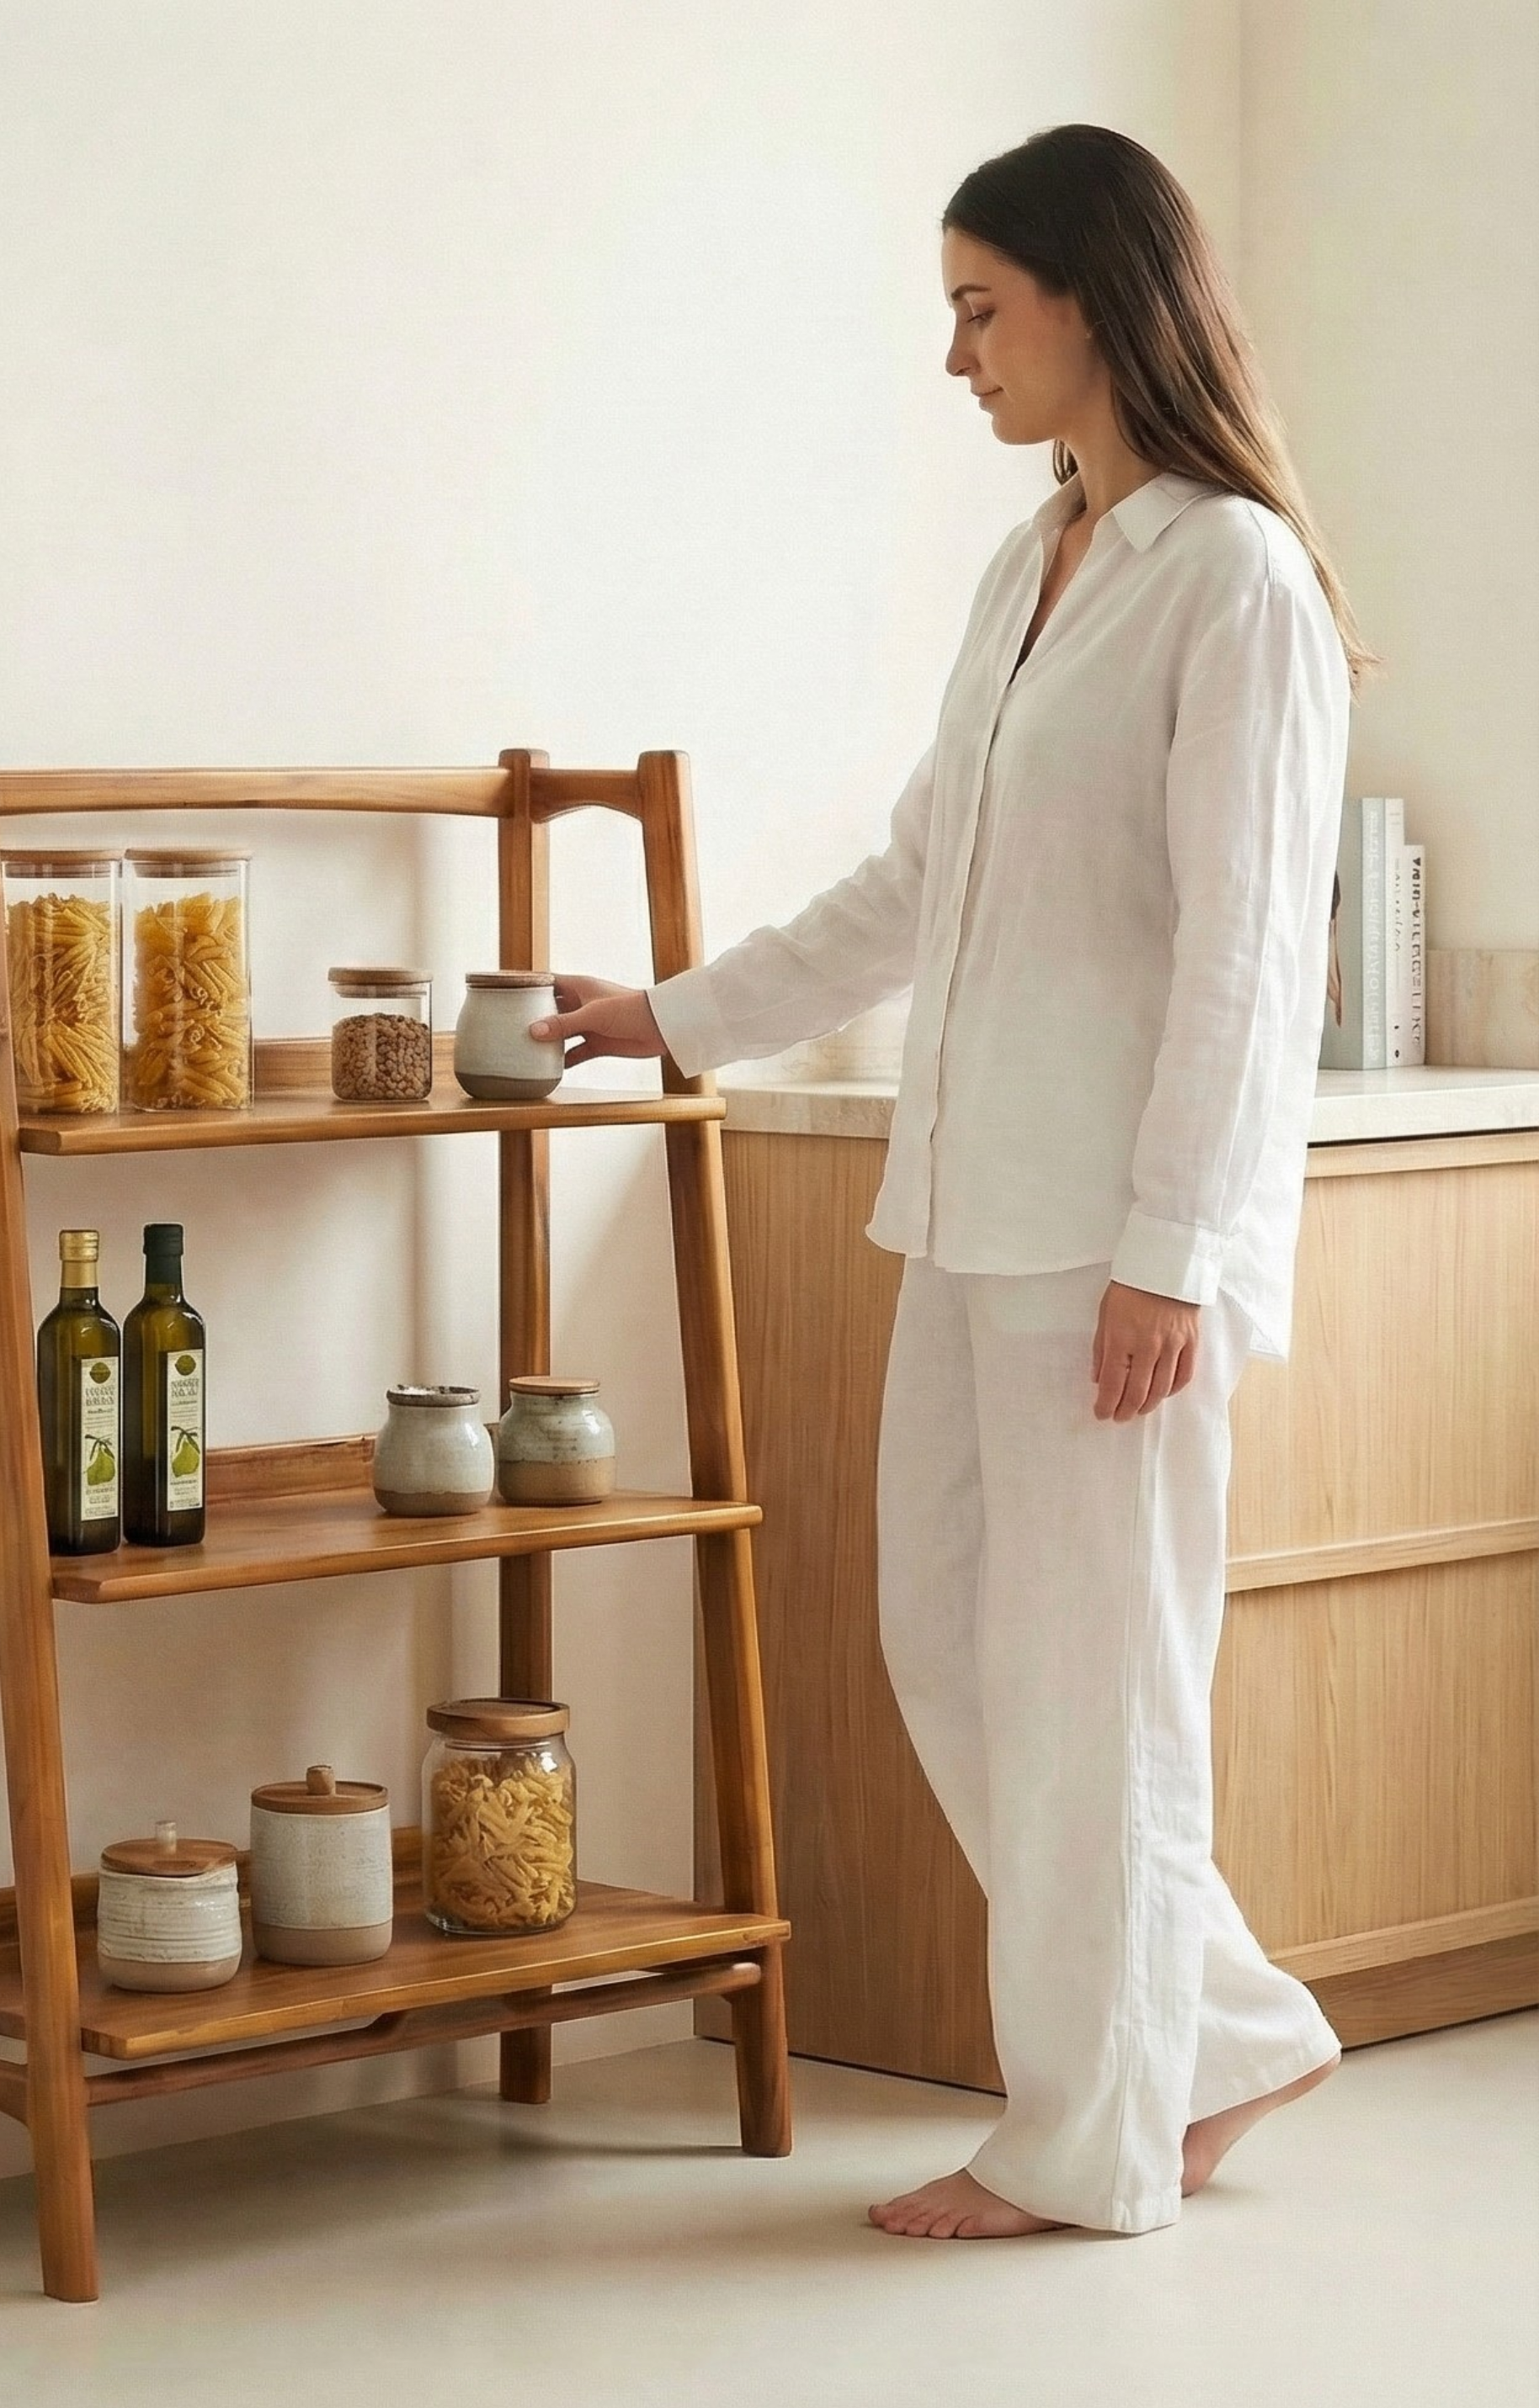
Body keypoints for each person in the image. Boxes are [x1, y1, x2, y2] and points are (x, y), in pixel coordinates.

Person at [537, 125, 1364, 2240]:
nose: (956, 354)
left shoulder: (1236, 577)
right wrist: (672, 1017)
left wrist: (1175, 1256)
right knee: (953, 1648)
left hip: (1115, 1238)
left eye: (982, 307)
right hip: (968, 1208)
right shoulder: (1039, 565)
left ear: (1099, 299)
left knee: (1103, 1693)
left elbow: (1251, 954)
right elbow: (921, 880)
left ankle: (1092, 2139)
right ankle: (1229, 2037)